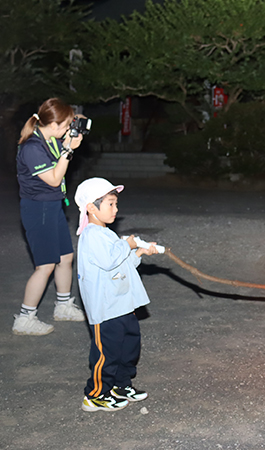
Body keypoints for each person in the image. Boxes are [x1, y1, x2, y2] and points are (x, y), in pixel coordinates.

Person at [74, 177, 159, 412]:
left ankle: (120, 385)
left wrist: (139, 252)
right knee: (107, 352)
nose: (116, 209)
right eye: (110, 204)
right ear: (92, 207)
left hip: (122, 303)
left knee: (128, 346)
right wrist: (128, 244)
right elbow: (110, 259)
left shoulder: (107, 233)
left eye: (115, 203)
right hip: (105, 308)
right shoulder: (92, 235)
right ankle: (96, 394)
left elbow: (122, 263)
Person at [13, 98, 86, 335]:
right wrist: (68, 150)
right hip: (38, 209)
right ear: (53, 125)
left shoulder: (50, 139)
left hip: (52, 206)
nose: (67, 129)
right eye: (65, 125)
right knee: (44, 265)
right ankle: (25, 318)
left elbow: (61, 152)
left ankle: (63, 306)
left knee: (65, 257)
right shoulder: (32, 148)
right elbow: (54, 179)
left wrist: (72, 135)